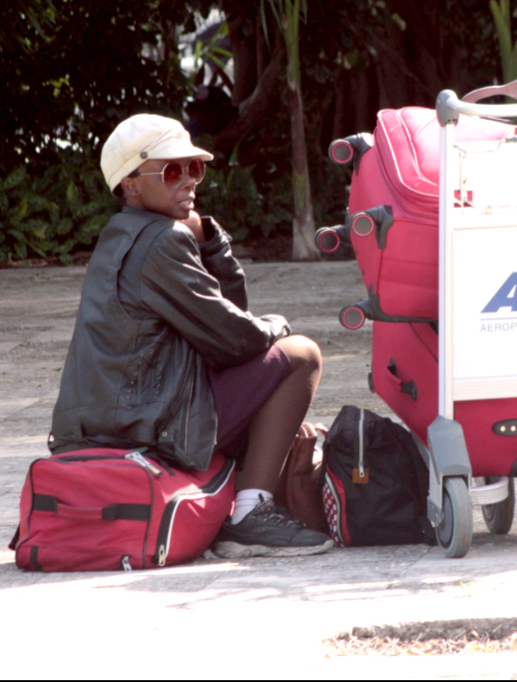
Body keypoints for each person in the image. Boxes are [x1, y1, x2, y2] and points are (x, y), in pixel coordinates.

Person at [49, 114, 333, 558]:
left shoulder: (120, 235)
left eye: (194, 169)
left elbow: (223, 322)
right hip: (146, 424)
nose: (188, 182)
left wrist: (206, 241)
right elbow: (235, 338)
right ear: (131, 185)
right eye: (171, 171)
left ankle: (241, 501)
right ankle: (248, 517)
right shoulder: (161, 240)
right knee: (300, 355)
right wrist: (278, 324)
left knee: (265, 383)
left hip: (112, 421)